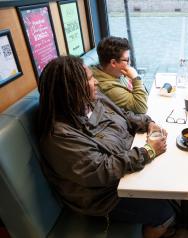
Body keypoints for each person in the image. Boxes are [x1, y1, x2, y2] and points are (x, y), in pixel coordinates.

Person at [37, 56, 174, 238]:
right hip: (104, 197)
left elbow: (123, 114)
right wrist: (148, 151)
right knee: (164, 212)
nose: (96, 82)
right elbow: (101, 169)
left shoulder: (91, 99)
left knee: (168, 186)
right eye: (89, 79)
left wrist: (147, 123)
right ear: (72, 89)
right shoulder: (59, 136)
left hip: (127, 170)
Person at [91, 36, 148, 114]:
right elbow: (141, 108)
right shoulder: (108, 88)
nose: (130, 63)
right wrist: (136, 78)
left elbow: (144, 93)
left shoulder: (115, 72)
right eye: (127, 60)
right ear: (113, 63)